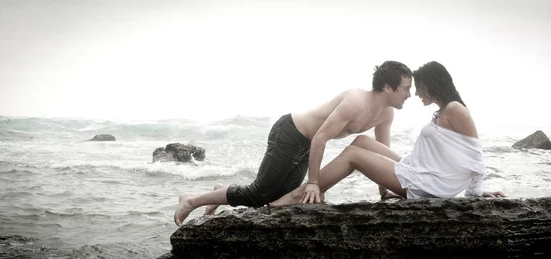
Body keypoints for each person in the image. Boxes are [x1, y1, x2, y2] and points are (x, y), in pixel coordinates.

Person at [173, 60, 413, 226]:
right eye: (406, 88)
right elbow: (321, 137)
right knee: (260, 194)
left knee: (278, 199)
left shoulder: (386, 114)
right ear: (387, 86)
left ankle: (221, 191)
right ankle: (192, 200)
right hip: (290, 132)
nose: (409, 94)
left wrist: (386, 192)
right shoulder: (355, 101)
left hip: (307, 145)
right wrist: (314, 183)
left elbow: (383, 154)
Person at [271, 61, 504, 206]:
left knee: (353, 154)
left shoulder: (455, 109)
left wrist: (476, 191)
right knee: (361, 140)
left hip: (427, 183)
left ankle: (302, 193)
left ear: (431, 85)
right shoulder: (445, 110)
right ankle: (377, 190)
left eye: (418, 87)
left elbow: (475, 153)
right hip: (420, 171)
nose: (414, 93)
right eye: (409, 88)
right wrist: (386, 190)